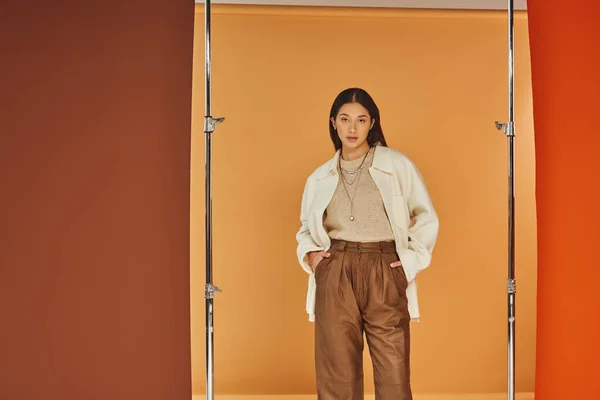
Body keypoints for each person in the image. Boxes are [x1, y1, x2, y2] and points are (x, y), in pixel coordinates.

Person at [295, 88, 440, 400]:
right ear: (333, 122)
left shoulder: (396, 165)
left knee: (393, 369)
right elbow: (307, 227)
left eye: (360, 120)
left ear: (372, 123)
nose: (352, 128)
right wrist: (313, 258)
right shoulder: (319, 177)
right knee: (337, 370)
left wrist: (410, 262)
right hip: (336, 268)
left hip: (383, 265)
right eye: (345, 119)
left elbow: (426, 216)